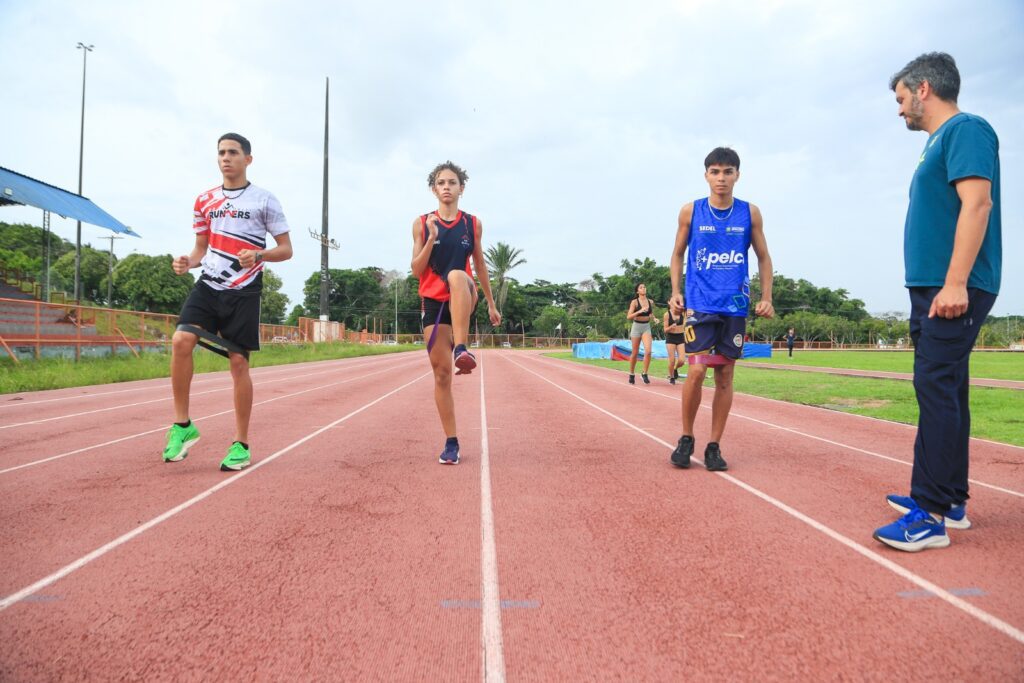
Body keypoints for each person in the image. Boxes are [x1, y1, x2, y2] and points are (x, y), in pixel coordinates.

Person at [873, 53, 1001, 552]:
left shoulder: (967, 129)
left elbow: (978, 203)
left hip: (954, 287)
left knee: (933, 386)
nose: (900, 109)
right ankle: (949, 499)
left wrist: (955, 282)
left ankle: (928, 515)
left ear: (924, 89)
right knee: (948, 389)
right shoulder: (934, 145)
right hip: (932, 285)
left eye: (902, 98)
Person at [162, 133, 293, 471]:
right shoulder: (204, 200)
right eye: (221, 152)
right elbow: (200, 249)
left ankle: (241, 444)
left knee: (238, 363)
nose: (226, 158)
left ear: (248, 159)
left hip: (244, 289)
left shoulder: (265, 200)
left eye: (233, 152)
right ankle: (182, 425)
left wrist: (259, 254)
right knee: (181, 340)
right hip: (208, 284)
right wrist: (186, 263)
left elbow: (286, 249)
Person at [668, 147, 774, 471]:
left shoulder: (750, 213)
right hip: (699, 302)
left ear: (737, 175)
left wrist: (766, 296)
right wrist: (675, 291)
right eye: (715, 172)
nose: (721, 178)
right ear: (706, 176)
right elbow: (677, 254)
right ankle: (686, 437)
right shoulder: (691, 212)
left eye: (728, 172)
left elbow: (764, 257)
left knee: (725, 375)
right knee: (697, 369)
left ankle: (714, 445)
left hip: (735, 305)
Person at [411, 161, 501, 465]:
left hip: (463, 293)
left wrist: (490, 303)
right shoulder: (422, 223)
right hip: (433, 303)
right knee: (441, 374)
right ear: (434, 189)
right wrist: (431, 237)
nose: (446, 187)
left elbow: (479, 264)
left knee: (456, 276)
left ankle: (463, 347)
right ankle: (451, 441)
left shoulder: (471, 223)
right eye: (441, 182)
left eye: (452, 182)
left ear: (461, 188)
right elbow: (416, 270)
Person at [626, 283, 656, 384]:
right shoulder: (634, 302)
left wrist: (654, 318)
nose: (644, 288)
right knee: (635, 352)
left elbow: (650, 313)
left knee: (648, 351)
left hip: (646, 327)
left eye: (644, 287)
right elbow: (629, 316)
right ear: (637, 291)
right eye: (641, 287)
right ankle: (631, 373)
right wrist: (639, 311)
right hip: (636, 327)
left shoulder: (650, 302)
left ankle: (644, 373)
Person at [663, 298, 686, 384]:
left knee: (682, 360)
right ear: (668, 302)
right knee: (672, 360)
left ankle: (675, 369)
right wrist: (670, 327)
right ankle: (672, 377)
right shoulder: (667, 314)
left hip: (680, 337)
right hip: (671, 338)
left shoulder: (682, 312)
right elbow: (665, 330)